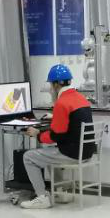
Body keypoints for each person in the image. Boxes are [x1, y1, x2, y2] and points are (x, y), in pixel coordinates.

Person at [19, 64, 94, 210]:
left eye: (50, 85)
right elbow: (73, 120)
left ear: (55, 85)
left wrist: (37, 134)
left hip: (72, 153)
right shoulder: (81, 98)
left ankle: (42, 197)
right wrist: (55, 117)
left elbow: (56, 136)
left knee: (29, 157)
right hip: (87, 151)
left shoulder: (61, 103)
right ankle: (60, 192)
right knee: (47, 153)